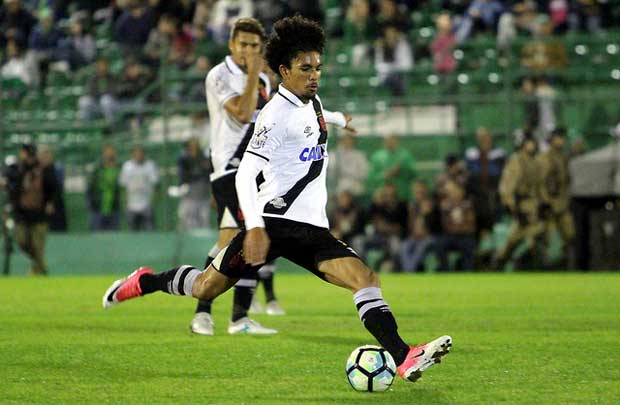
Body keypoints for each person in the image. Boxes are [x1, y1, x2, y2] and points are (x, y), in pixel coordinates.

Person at [103, 15, 451, 383]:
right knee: (205, 286)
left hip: (311, 228)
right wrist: (254, 228)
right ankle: (146, 282)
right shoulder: (273, 116)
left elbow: (317, 116)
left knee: (366, 278)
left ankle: (405, 356)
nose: (314, 74)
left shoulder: (312, 101)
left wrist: (338, 118)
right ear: (284, 70)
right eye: (305, 68)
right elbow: (245, 173)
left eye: (318, 67)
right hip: (275, 223)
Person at [191, 17, 355, 335]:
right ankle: (216, 313)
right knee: (244, 236)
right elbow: (240, 113)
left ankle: (229, 315)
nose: (249, 51)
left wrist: (337, 119)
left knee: (239, 240)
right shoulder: (219, 75)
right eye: (244, 45)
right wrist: (255, 72)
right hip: (229, 168)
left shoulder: (266, 83)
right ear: (231, 45)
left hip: (261, 169)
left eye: (255, 46)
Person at [493, 130, 545, 270]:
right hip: (522, 205)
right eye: (529, 142)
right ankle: (506, 262)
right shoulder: (516, 160)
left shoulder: (534, 161)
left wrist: (543, 203)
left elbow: (539, 186)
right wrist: (511, 207)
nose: (532, 144)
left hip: (533, 205)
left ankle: (503, 262)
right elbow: (507, 187)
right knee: (521, 239)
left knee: (521, 238)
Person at [4, 143, 59, 275]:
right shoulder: (18, 169)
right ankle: (40, 265)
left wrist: (51, 202)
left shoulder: (44, 170)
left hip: (39, 213)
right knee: (21, 240)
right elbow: (13, 188)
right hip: (21, 213)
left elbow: (54, 188)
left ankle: (39, 271)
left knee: (38, 245)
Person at [537, 127, 575, 268]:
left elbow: (566, 182)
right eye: (558, 137)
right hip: (549, 203)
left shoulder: (563, 157)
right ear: (551, 139)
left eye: (562, 137)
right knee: (545, 237)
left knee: (570, 236)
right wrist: (544, 201)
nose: (561, 140)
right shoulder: (545, 158)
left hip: (562, 203)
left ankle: (568, 265)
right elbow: (541, 182)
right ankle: (543, 267)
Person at [119, 145, 159, 231]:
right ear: (132, 154)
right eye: (136, 153)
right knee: (133, 233)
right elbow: (123, 186)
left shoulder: (150, 165)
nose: (139, 155)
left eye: (140, 153)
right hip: (131, 206)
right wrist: (125, 203)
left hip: (146, 206)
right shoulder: (127, 167)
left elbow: (155, 184)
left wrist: (151, 202)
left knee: (150, 232)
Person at [87, 145, 122, 231]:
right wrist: (90, 204)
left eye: (111, 153)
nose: (109, 156)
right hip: (97, 209)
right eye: (107, 153)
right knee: (96, 238)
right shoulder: (96, 170)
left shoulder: (120, 169)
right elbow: (89, 189)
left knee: (114, 238)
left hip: (114, 209)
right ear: (103, 155)